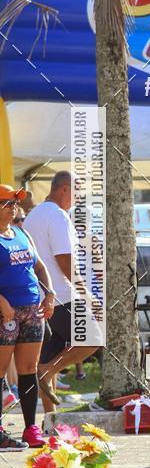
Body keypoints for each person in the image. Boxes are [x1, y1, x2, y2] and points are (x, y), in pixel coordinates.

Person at [24, 171, 100, 417]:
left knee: (50, 358)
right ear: (65, 189)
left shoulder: (33, 215)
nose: (78, 199)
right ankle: (46, 372)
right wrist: (85, 293)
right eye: (77, 193)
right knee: (93, 338)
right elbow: (64, 260)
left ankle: (50, 421)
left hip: (39, 297)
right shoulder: (58, 215)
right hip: (62, 295)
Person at [0, 184, 56, 450]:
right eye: (7, 203)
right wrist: (2, 303)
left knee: (28, 369)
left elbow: (39, 266)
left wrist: (50, 294)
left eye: (14, 203)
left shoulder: (21, 233)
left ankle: (30, 428)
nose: (13, 208)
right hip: (5, 312)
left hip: (32, 309)